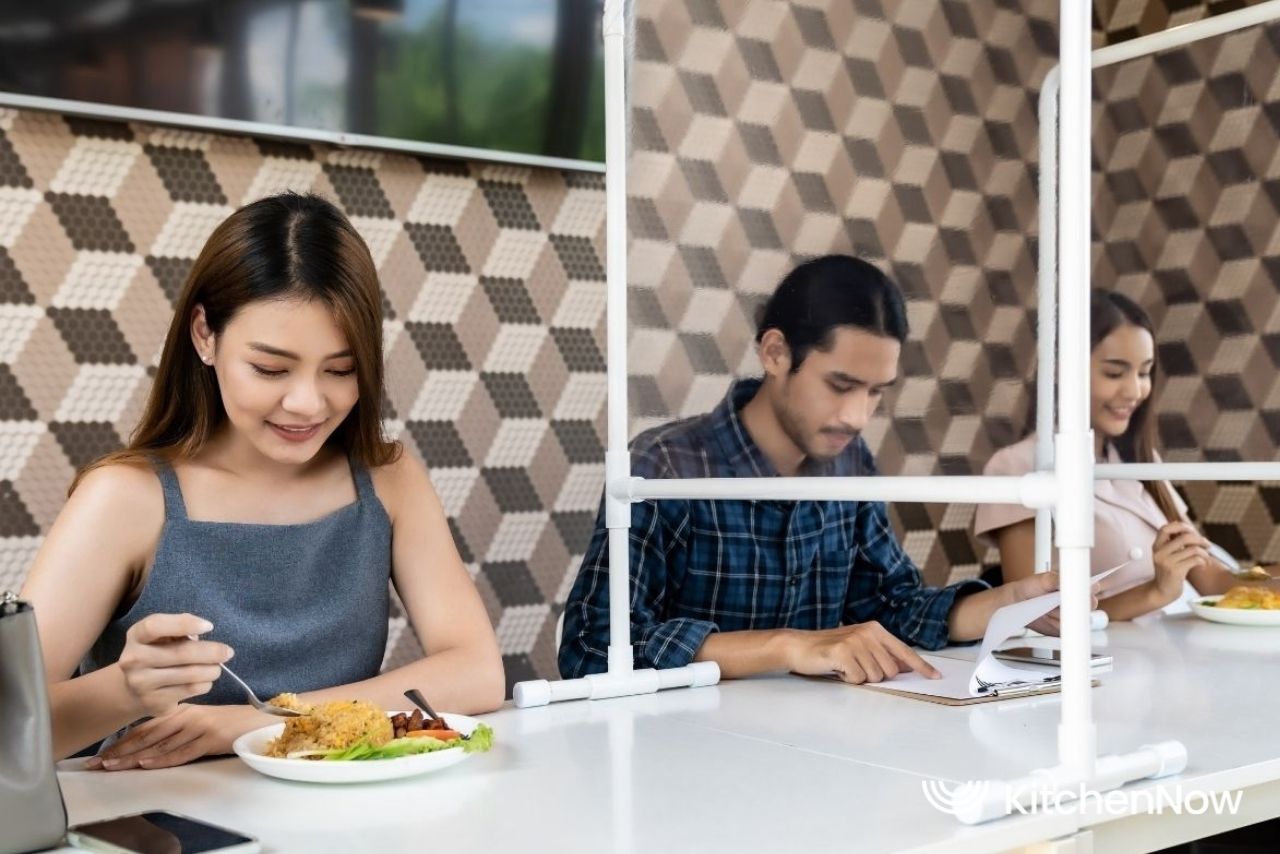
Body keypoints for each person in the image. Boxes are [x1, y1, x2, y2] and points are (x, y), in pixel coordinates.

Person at [20, 193, 503, 767]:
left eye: (340, 370)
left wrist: (260, 722)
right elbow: (6, 726)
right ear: (205, 335)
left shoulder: (387, 479)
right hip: (168, 825)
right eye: (270, 368)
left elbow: (476, 672)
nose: (306, 403)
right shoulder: (125, 499)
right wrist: (122, 691)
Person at [558, 255, 1072, 684]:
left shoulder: (850, 463)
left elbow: (894, 607)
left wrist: (1010, 602)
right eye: (841, 385)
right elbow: (591, 649)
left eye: (875, 392)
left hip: (822, 752)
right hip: (683, 757)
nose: (857, 416)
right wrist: (786, 647)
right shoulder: (664, 465)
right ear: (776, 352)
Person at [974, 290, 1266, 623]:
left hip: (1181, 651)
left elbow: (1213, 580)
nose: (1134, 391)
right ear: (1062, 371)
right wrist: (1156, 592)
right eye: (1115, 373)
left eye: (1144, 373)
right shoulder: (1018, 465)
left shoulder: (1140, 461)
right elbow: (1033, 618)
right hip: (1109, 664)